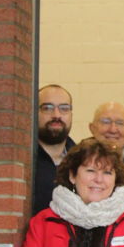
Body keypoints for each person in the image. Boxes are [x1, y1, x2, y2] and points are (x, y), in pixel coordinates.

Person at [32, 83, 75, 212]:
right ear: (34, 112)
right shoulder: (23, 159)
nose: (56, 115)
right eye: (47, 108)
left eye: (64, 108)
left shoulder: (82, 160)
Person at [89, 101, 124, 168]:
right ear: (92, 128)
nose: (113, 130)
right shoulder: (76, 160)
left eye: (120, 123)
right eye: (106, 122)